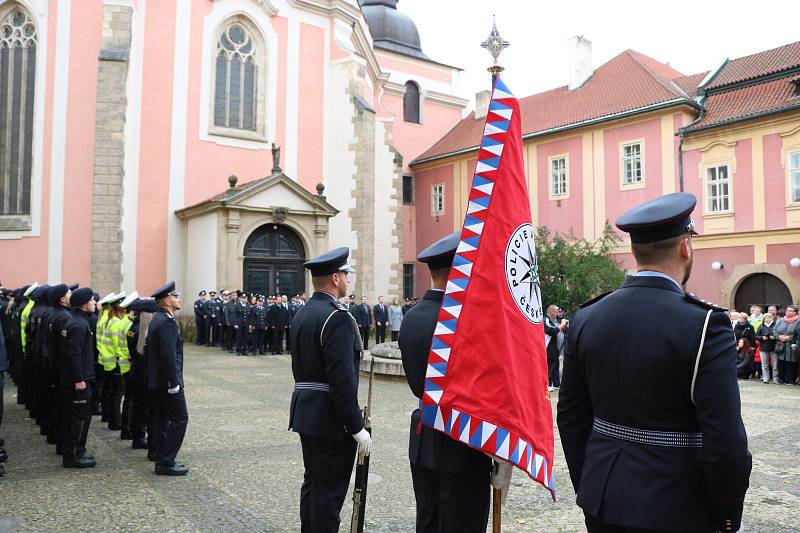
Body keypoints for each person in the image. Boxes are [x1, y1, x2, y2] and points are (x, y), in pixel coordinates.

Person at [557, 192, 751, 533]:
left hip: (603, 496)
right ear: (685, 248)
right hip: (678, 504)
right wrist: (726, 514)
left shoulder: (588, 316)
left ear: (634, 251)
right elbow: (725, 440)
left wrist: (590, 482)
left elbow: (571, 417)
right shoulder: (706, 324)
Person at [399, 231, 504, 533]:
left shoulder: (412, 316)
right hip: (462, 438)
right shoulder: (464, 319)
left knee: (429, 521)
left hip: (424, 434)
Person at [288, 247, 371, 532]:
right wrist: (355, 425)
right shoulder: (336, 317)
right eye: (346, 274)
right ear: (336, 278)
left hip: (306, 410)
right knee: (329, 493)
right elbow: (342, 379)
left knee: (313, 484)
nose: (348, 279)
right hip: (329, 418)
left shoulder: (304, 312)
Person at [146, 281, 189, 476]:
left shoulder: (159, 319)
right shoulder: (166, 322)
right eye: (175, 296)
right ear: (167, 300)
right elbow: (168, 356)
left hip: (158, 380)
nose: (178, 299)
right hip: (167, 382)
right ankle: (166, 460)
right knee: (180, 419)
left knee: (162, 418)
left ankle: (159, 455)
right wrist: (174, 383)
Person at [59, 287, 98, 468]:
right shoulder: (79, 325)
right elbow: (74, 354)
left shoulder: (76, 321)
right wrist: (79, 379)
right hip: (78, 380)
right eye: (92, 301)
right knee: (79, 419)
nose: (95, 303)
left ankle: (74, 453)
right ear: (83, 305)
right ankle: (75, 454)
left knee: (74, 417)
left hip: (77, 377)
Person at [544, 304, 568, 391]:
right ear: (551, 312)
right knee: (549, 366)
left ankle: (556, 384)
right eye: (557, 311)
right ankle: (548, 384)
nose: (559, 313)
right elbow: (551, 331)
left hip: (557, 348)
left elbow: (563, 331)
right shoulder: (545, 320)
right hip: (549, 347)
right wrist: (561, 325)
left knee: (556, 366)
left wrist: (565, 326)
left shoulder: (556, 320)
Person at [774, 305, 799, 386]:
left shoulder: (798, 321)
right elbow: (774, 330)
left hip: (792, 345)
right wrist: (779, 337)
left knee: (791, 362)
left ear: (795, 313)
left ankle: (790, 380)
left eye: (790, 311)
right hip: (781, 344)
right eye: (787, 310)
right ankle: (781, 379)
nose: (788, 312)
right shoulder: (781, 320)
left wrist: (789, 338)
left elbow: (798, 334)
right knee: (781, 362)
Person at [757, 312, 778, 384]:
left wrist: (774, 337)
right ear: (764, 319)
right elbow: (756, 336)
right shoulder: (761, 326)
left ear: (772, 318)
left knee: (775, 365)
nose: (768, 319)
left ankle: (775, 379)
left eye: (769, 317)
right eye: (766, 318)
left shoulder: (776, 325)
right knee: (764, 365)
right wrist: (762, 337)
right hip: (763, 348)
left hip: (774, 347)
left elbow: (778, 335)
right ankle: (766, 378)